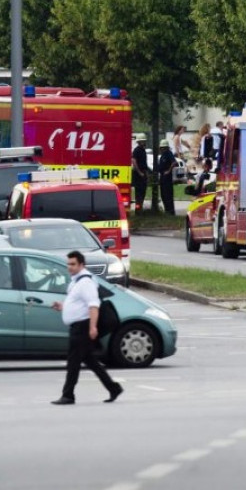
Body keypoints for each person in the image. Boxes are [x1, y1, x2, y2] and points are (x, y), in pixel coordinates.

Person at [50, 251, 123, 405]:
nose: (69, 267)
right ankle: (113, 388)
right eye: (68, 264)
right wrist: (63, 307)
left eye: (73, 264)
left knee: (73, 362)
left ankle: (68, 395)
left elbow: (93, 306)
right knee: (90, 361)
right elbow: (78, 304)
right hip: (77, 326)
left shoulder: (85, 283)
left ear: (82, 265)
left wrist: (92, 327)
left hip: (82, 327)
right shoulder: (76, 282)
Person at [157, 139, 176, 214]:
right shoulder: (162, 155)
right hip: (162, 177)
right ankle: (166, 210)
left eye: (162, 148)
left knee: (168, 195)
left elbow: (174, 162)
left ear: (165, 147)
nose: (161, 149)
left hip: (167, 178)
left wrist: (168, 171)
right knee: (163, 195)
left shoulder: (169, 153)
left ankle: (170, 211)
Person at [131, 136, 149, 213]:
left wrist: (146, 173)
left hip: (143, 173)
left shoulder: (143, 150)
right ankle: (138, 210)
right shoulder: (136, 150)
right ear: (139, 142)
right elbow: (134, 161)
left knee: (143, 192)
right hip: (138, 174)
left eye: (144, 141)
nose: (144, 142)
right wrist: (140, 172)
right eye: (142, 141)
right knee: (139, 193)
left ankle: (140, 208)